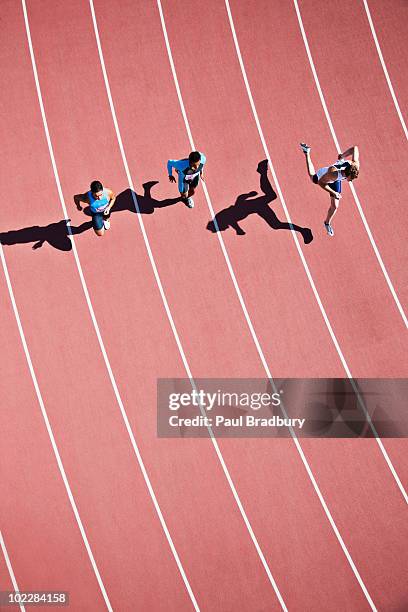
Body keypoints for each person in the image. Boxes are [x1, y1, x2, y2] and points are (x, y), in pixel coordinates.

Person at [300, 143, 360, 236]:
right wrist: (334, 193)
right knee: (313, 177)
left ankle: (327, 223)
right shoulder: (332, 174)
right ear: (346, 174)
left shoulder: (355, 165)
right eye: (350, 178)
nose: (351, 181)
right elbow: (321, 183)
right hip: (325, 175)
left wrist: (342, 155)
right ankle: (307, 152)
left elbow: (355, 148)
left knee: (335, 206)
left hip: (336, 179)